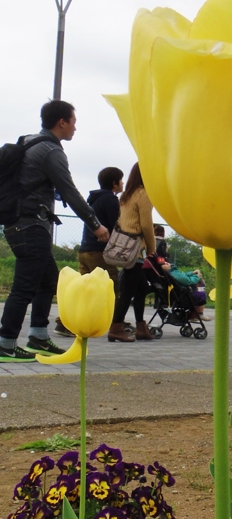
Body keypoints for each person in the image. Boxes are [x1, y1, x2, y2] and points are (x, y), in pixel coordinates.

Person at [0, 101, 109, 361]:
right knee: (24, 286)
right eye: (73, 121)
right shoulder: (50, 151)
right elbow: (71, 192)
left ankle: (38, 336)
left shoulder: (29, 142)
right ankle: (5, 342)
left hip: (21, 223)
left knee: (48, 279)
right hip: (30, 225)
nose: (75, 127)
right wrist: (96, 225)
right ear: (62, 122)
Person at [54, 166, 124, 337]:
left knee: (82, 291)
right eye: (121, 180)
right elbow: (116, 225)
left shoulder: (93, 198)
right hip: (99, 252)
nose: (123, 183)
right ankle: (114, 322)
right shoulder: (110, 199)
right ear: (115, 184)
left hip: (85, 250)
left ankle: (64, 323)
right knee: (110, 286)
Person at [107, 164, 156, 343]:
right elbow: (146, 224)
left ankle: (141, 327)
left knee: (141, 287)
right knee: (127, 290)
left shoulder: (126, 195)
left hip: (124, 245)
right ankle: (116, 327)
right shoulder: (143, 194)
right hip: (135, 247)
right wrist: (152, 249)